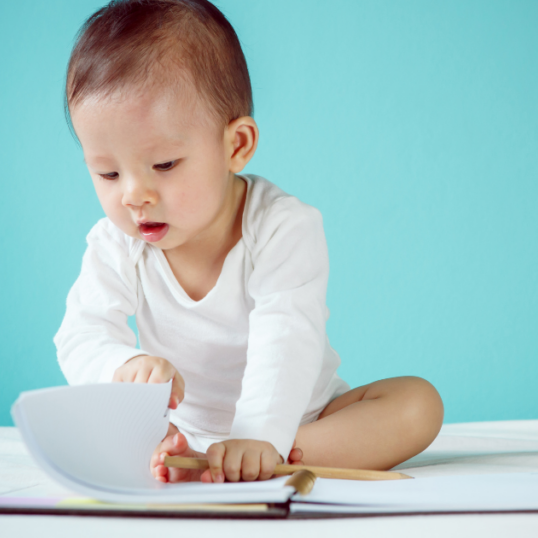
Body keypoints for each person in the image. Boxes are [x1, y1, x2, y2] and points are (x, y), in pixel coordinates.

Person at [55, 0, 443, 484]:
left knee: (418, 404)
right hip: (183, 429)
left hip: (300, 420)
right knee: (91, 422)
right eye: (108, 172)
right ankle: (192, 456)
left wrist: (261, 435)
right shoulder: (116, 243)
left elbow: (286, 335)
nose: (135, 196)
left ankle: (267, 459)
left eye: (165, 165)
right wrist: (124, 364)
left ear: (235, 145)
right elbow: (80, 335)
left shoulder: (282, 227)